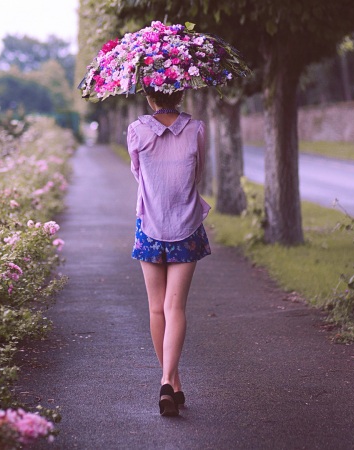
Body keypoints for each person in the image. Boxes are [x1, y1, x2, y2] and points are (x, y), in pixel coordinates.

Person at [127, 89, 211, 417]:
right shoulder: (197, 130)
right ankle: (169, 382)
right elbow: (199, 172)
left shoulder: (137, 131)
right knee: (175, 307)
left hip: (149, 223)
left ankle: (169, 382)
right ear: (183, 92)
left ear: (149, 95)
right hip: (186, 225)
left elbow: (137, 173)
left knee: (156, 309)